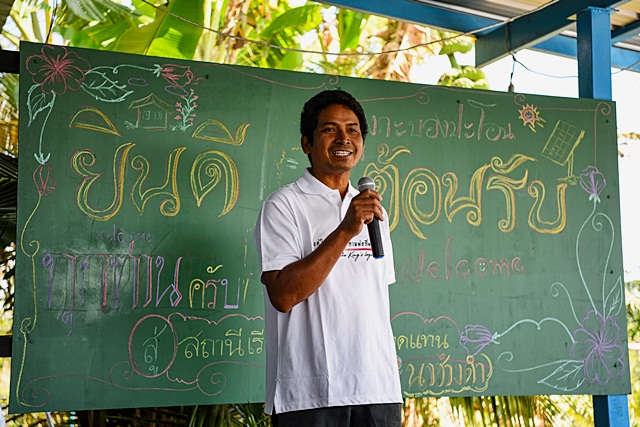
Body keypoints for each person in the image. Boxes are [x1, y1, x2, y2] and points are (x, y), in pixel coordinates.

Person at [253, 89, 402, 427]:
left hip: (377, 389)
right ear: (307, 143)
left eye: (353, 130)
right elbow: (283, 295)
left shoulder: (373, 211)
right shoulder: (284, 205)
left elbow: (373, 300)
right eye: (330, 129)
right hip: (309, 393)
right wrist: (345, 231)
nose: (343, 138)